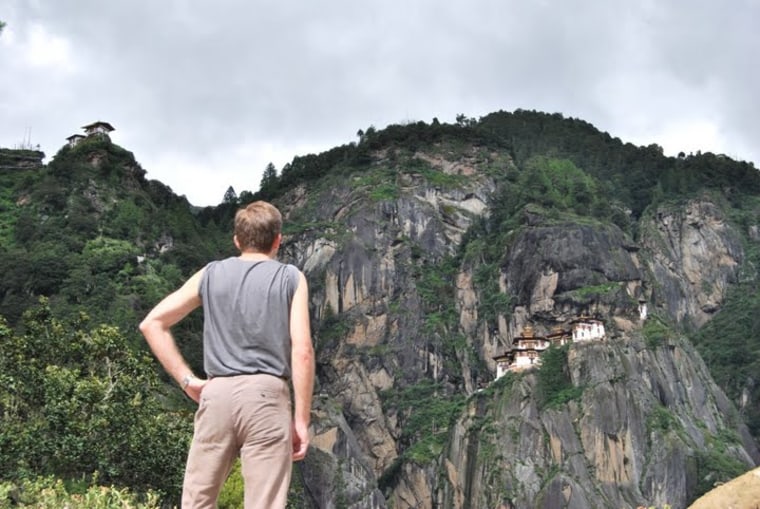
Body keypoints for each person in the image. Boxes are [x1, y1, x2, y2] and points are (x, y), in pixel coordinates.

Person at [139, 200, 315, 509]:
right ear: (277, 240)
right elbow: (302, 351)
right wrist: (301, 420)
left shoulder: (210, 274)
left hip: (216, 394)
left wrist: (187, 380)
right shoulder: (290, 278)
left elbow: (152, 323)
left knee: (197, 500)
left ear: (236, 240)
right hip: (266, 396)